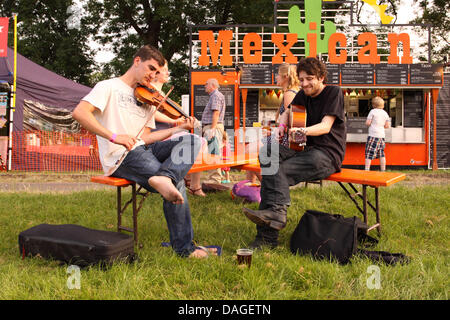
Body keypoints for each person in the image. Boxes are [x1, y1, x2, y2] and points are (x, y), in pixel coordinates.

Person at [72, 44, 216, 258]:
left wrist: (178, 128)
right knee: (176, 183)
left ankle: (165, 177)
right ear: (137, 61)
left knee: (192, 140)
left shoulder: (146, 96)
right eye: (150, 69)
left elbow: (147, 137)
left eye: (157, 72)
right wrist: (115, 136)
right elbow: (80, 113)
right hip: (122, 156)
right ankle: (185, 250)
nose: (152, 76)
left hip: (144, 147)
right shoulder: (108, 86)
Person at [242, 57, 346, 250]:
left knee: (276, 170)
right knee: (268, 154)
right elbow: (287, 111)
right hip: (302, 148)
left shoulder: (334, 92)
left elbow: (325, 126)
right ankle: (276, 215)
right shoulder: (302, 94)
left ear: (322, 77)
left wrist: (302, 131)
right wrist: (282, 125)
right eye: (302, 79)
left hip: (327, 154)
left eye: (310, 78)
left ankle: (267, 236)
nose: (305, 83)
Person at [187, 78, 227, 195]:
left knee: (213, 153)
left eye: (206, 84)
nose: (204, 86)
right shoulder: (215, 95)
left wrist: (212, 129)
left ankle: (214, 181)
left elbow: (216, 113)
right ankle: (213, 180)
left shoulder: (215, 95)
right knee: (212, 152)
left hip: (212, 127)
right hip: (210, 127)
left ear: (213, 85)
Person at [271, 63, 301, 147]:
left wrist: (280, 128)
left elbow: (292, 121)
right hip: (288, 137)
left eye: (278, 74)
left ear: (286, 76)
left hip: (287, 139)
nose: (276, 77)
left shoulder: (289, 94)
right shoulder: (294, 91)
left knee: (250, 148)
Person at [150, 60, 185, 130]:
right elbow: (151, 113)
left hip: (164, 131)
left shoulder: (162, 94)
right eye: (164, 70)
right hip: (155, 132)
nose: (167, 73)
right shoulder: (149, 91)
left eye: (167, 70)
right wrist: (173, 121)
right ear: (155, 73)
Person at [365, 96, 390, 171]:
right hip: (381, 136)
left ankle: (367, 170)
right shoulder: (385, 113)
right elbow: (387, 126)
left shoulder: (372, 111)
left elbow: (368, 123)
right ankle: (383, 170)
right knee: (381, 154)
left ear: (373, 105)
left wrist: (368, 123)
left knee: (369, 153)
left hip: (373, 135)